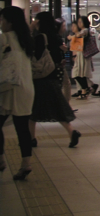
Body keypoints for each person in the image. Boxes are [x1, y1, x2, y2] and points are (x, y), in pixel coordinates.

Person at [29, 12, 81, 149]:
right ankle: (71, 132)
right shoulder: (54, 36)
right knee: (56, 106)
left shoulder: (40, 37)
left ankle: (31, 138)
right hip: (52, 75)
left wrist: (31, 28)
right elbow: (60, 53)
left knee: (32, 108)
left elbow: (29, 50)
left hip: (40, 77)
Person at [0, 6, 36, 181]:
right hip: (26, 89)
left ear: (10, 22)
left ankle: (1, 159)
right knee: (22, 129)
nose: (1, 23)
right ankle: (26, 164)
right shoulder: (26, 40)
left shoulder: (4, 38)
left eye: (2, 20)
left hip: (8, 89)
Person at [69, 16, 98, 99]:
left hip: (83, 55)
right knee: (78, 73)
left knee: (79, 73)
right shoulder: (83, 31)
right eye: (78, 22)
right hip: (80, 54)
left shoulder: (85, 30)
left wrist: (71, 37)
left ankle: (85, 90)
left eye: (80, 22)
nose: (79, 24)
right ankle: (86, 89)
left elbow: (79, 35)